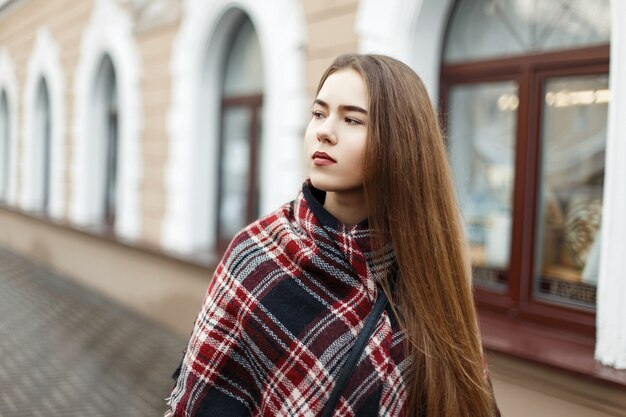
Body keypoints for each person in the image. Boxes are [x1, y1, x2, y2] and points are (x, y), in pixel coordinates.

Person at [166, 54, 500, 417]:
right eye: (318, 113)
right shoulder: (257, 256)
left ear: (400, 142)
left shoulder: (431, 270)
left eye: (352, 119)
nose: (324, 131)